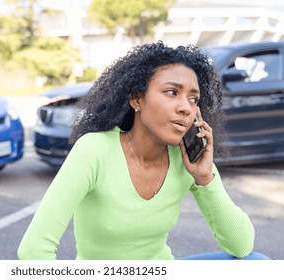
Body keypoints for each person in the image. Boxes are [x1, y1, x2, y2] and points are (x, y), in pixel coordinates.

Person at [17, 41, 270, 260]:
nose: (185, 107)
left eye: (193, 99)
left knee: (256, 263)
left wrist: (205, 179)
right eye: (172, 92)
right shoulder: (94, 150)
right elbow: (34, 250)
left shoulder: (188, 159)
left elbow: (242, 245)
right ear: (136, 99)